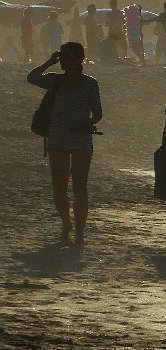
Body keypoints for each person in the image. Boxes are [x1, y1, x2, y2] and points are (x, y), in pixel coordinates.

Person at [27, 42, 102, 247]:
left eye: (68, 57)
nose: (64, 61)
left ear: (79, 60)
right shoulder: (55, 81)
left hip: (81, 139)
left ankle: (79, 231)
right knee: (59, 187)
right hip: (57, 138)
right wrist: (49, 62)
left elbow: (97, 113)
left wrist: (87, 123)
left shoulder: (89, 83)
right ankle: (66, 223)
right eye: (62, 57)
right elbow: (31, 77)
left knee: (79, 187)